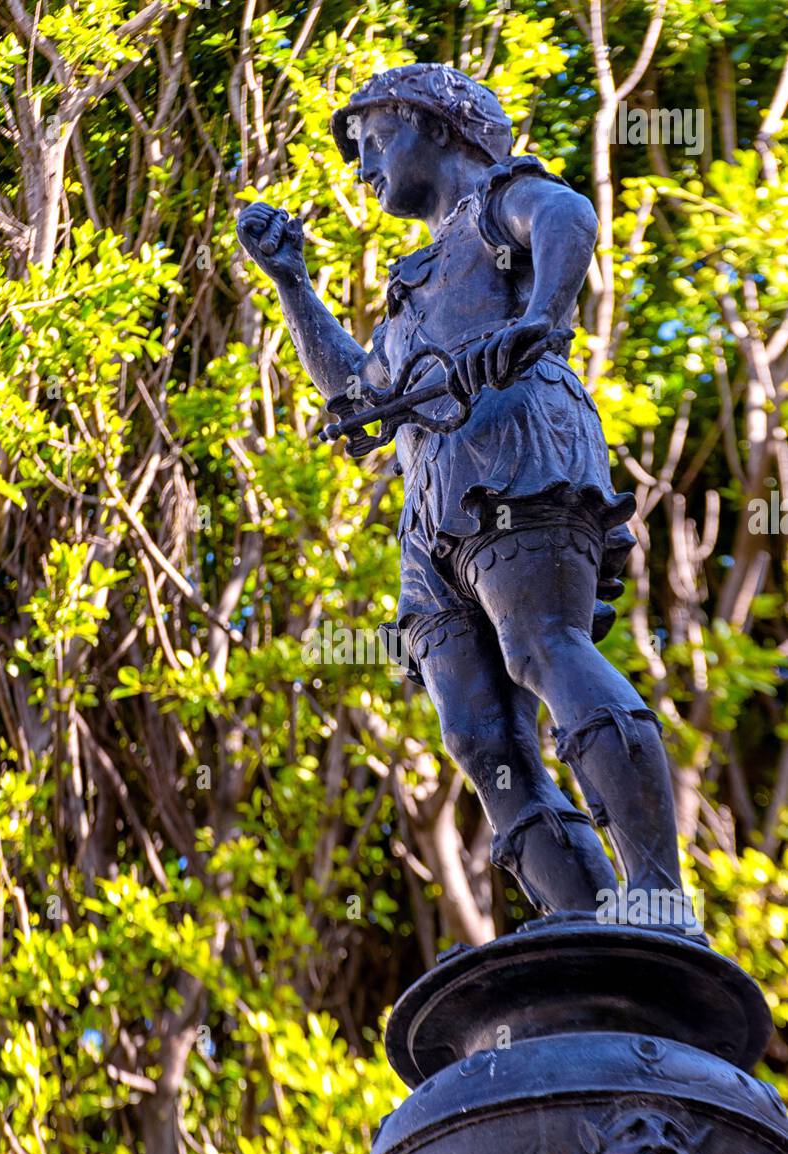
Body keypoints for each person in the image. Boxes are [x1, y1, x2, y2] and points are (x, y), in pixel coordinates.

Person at [237, 63, 685, 920]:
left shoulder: (495, 206)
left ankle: (660, 908)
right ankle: (585, 930)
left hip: (516, 451)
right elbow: (360, 392)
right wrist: (292, 281)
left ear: (436, 128)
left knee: (545, 646)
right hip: (432, 511)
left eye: (373, 145)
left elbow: (567, 216)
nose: (363, 171)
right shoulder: (413, 282)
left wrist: (540, 320)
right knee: (481, 739)